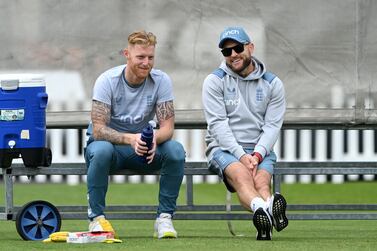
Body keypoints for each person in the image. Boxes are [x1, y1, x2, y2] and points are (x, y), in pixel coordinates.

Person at [84, 30, 185, 239]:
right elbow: (98, 129)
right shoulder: (107, 80)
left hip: (143, 150)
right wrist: (131, 138)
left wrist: (154, 139)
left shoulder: (161, 80)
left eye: (150, 57)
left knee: (175, 151)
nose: (146, 63)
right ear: (127, 54)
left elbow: (167, 127)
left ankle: (164, 218)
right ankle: (96, 219)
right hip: (111, 150)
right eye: (140, 57)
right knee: (100, 150)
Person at [202, 26, 288, 240]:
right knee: (242, 176)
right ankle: (267, 208)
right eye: (226, 51)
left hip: (261, 149)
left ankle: (265, 214)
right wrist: (242, 155)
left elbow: (272, 126)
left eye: (237, 48)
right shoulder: (214, 81)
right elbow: (218, 125)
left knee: (260, 181)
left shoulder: (273, 83)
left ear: (250, 47)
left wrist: (257, 154)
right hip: (224, 149)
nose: (232, 55)